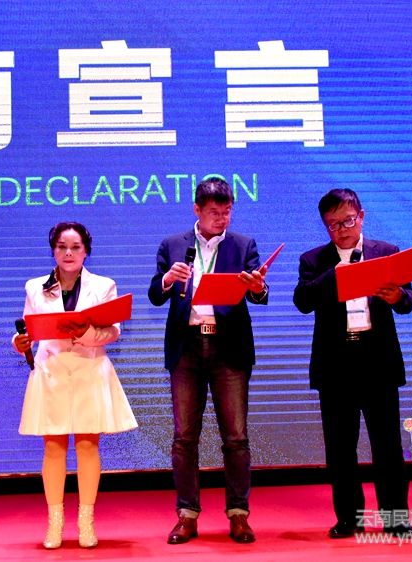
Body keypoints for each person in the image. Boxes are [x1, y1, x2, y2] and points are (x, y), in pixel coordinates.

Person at [148, 177, 268, 545]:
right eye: (214, 212)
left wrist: (257, 287)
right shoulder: (173, 245)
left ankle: (239, 514)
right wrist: (167, 280)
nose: (222, 219)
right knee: (185, 437)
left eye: (227, 211)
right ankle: (186, 515)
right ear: (197, 209)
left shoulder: (243, 244)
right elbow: (155, 295)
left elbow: (260, 293)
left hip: (228, 348)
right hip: (186, 348)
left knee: (236, 437)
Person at [293, 188, 412, 539]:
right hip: (336, 365)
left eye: (347, 221)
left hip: (378, 361)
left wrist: (398, 296)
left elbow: (408, 300)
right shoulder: (314, 260)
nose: (342, 229)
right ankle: (349, 518)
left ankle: (396, 518)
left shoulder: (387, 252)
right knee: (340, 449)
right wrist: (337, 272)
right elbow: (302, 300)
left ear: (361, 216)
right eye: (333, 225)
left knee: (388, 447)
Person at [12, 222, 138, 550]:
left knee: (87, 445)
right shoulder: (35, 287)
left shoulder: (104, 285)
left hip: (89, 369)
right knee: (53, 447)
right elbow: (28, 328)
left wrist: (86, 334)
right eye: (62, 247)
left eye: (75, 247)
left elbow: (113, 331)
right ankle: (55, 523)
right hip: (51, 371)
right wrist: (19, 341)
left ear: (86, 251)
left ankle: (86, 521)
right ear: (53, 250)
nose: (68, 253)